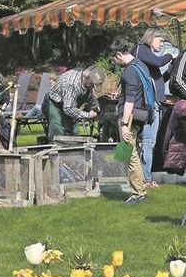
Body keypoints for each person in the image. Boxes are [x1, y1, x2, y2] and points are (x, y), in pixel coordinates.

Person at [109, 39, 153, 204]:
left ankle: (138, 194)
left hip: (131, 116)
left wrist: (124, 124)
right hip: (141, 114)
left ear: (119, 54)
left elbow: (130, 100)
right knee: (128, 153)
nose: (115, 63)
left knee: (130, 153)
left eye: (114, 60)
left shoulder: (129, 71)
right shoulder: (140, 65)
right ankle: (138, 190)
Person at [134, 28, 174, 189]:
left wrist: (171, 71)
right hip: (147, 106)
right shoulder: (142, 51)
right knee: (148, 142)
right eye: (160, 41)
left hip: (151, 104)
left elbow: (158, 79)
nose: (162, 44)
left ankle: (142, 176)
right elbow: (159, 62)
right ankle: (146, 179)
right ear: (150, 38)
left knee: (143, 142)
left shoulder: (147, 58)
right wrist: (171, 55)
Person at [44, 65, 102, 139]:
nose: (91, 86)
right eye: (91, 83)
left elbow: (90, 96)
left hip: (70, 104)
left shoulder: (85, 81)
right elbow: (68, 109)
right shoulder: (71, 84)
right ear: (86, 77)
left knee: (74, 134)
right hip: (56, 104)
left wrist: (96, 107)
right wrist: (88, 115)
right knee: (59, 134)